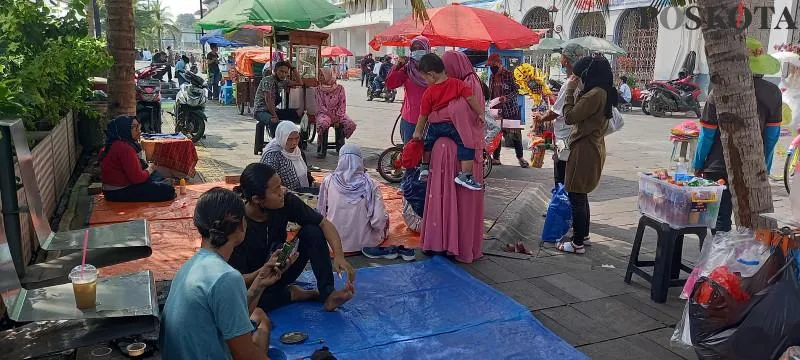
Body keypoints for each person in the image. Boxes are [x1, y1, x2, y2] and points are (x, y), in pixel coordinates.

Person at [160, 188, 279, 360]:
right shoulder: (227, 277)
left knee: (258, 315)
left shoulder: (190, 266)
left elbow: (228, 317)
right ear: (241, 225)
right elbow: (245, 355)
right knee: (257, 328)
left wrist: (259, 283)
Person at [229, 163, 356, 312]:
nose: (282, 191)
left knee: (312, 231)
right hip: (255, 281)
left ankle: (328, 293)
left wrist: (339, 256)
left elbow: (324, 224)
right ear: (257, 199)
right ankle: (295, 294)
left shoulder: (286, 201)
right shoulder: (237, 224)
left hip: (281, 269)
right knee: (241, 305)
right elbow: (236, 281)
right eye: (276, 190)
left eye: (280, 185)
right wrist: (263, 271)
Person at [693, 37, 782, 233]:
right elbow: (771, 137)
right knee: (749, 220)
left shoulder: (719, 90)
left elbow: (707, 135)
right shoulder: (773, 92)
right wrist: (764, 165)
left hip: (717, 166)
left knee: (719, 219)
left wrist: (698, 163)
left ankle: (717, 259)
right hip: (753, 165)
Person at [417, 52, 486, 264]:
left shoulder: (465, 85)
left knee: (451, 197)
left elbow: (463, 119)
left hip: (450, 154)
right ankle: (447, 242)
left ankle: (449, 243)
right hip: (449, 154)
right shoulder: (461, 85)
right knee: (449, 197)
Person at [556, 56, 617, 254]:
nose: (577, 79)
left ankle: (577, 243)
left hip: (584, 149)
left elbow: (570, 117)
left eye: (579, 76)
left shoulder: (594, 95)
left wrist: (570, 91)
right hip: (593, 147)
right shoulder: (602, 91)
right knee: (581, 194)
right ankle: (584, 235)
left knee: (576, 194)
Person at [412, 53, 485, 191]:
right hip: (453, 127)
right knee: (466, 145)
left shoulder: (429, 92)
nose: (426, 81)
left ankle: (425, 167)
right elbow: (470, 99)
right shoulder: (459, 84)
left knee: (427, 144)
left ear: (431, 75)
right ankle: (465, 175)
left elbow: (424, 115)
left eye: (425, 78)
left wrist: (418, 131)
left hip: (435, 127)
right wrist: (480, 112)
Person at [533, 43, 588, 188]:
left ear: (567, 61)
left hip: (565, 139)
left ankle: (561, 207)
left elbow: (555, 112)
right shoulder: (584, 81)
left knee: (561, 179)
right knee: (570, 179)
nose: (561, 62)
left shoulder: (571, 83)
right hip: (576, 136)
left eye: (562, 58)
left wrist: (540, 117)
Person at [317, 144, 390, 254]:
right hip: (366, 243)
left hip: (333, 243)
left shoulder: (328, 181)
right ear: (360, 160)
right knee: (385, 217)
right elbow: (378, 220)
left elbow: (321, 212)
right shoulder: (370, 184)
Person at [99, 115, 176, 202]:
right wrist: (150, 168)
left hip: (111, 190)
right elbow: (137, 179)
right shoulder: (124, 148)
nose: (138, 131)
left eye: (138, 126)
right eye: (134, 127)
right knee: (168, 191)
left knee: (156, 175)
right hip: (118, 191)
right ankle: (161, 184)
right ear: (125, 129)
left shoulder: (114, 143)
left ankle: (159, 182)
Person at [386, 36, 431, 143]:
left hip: (432, 119)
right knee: (411, 154)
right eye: (414, 48)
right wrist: (397, 66)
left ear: (427, 48)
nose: (417, 51)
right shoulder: (407, 68)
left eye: (420, 48)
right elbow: (390, 84)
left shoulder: (434, 67)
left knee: (431, 156)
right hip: (410, 118)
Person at [487, 53, 528, 168]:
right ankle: (496, 158)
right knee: (497, 134)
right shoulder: (492, 77)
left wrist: (507, 98)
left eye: (493, 65)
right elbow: (491, 93)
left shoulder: (509, 75)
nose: (491, 68)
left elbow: (517, 91)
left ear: (499, 64)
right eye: (490, 66)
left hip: (510, 110)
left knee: (515, 135)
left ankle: (520, 158)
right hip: (496, 111)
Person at [253, 61, 301, 150]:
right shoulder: (267, 80)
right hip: (261, 111)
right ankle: (276, 145)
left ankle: (298, 144)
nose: (283, 74)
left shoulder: (283, 82)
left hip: (272, 110)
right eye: (281, 71)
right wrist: (275, 116)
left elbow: (299, 82)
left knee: (298, 113)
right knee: (274, 121)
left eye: (286, 72)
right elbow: (268, 100)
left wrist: (293, 68)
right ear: (275, 71)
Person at [260, 121, 316, 193]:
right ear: (281, 137)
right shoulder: (272, 156)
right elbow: (267, 182)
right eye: (289, 139)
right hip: (281, 196)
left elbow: (306, 175)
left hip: (300, 193)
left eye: (297, 138)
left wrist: (314, 183)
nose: (294, 143)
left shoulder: (298, 152)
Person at [315, 68, 357, 156]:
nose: (320, 77)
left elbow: (342, 104)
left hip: (339, 113)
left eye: (322, 75)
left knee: (351, 124)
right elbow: (320, 105)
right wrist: (331, 116)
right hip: (324, 114)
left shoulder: (340, 88)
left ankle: (340, 141)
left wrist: (337, 117)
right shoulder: (318, 89)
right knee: (323, 124)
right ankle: (322, 148)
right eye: (320, 75)